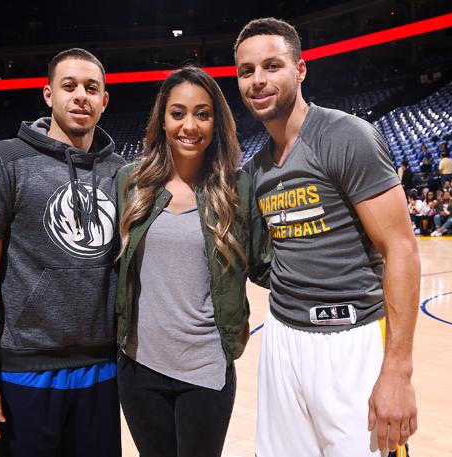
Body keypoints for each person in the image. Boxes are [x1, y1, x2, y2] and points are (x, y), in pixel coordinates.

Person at [235, 18, 419, 457]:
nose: (258, 80)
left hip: (350, 337)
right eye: (246, 71)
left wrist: (397, 370)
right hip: (283, 336)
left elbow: (402, 249)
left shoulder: (345, 136)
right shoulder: (257, 168)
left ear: (300, 70)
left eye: (272, 65)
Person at [0, 48, 124, 457]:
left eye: (91, 88)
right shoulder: (3, 160)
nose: (80, 96)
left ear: (104, 100)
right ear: (48, 95)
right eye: (69, 86)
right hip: (25, 369)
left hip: (102, 369)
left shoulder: (121, 171)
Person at [115, 66, 271, 457]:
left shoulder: (237, 188)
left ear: (216, 122)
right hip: (138, 367)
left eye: (202, 114)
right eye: (178, 113)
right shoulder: (130, 183)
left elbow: (266, 266)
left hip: (205, 368)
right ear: (163, 120)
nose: (190, 125)